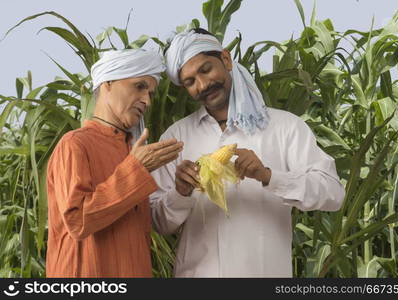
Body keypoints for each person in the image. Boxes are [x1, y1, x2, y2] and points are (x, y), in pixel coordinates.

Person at [150, 29, 345, 277]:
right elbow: (159, 222)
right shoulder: (175, 138)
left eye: (206, 69)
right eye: (189, 82)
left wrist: (269, 176)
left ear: (226, 59)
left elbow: (333, 193)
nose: (202, 85)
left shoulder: (285, 127)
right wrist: (180, 192)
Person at [46, 49, 183, 277]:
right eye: (139, 86)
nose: (147, 101)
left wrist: (182, 190)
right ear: (107, 83)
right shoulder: (74, 144)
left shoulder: (132, 151)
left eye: (150, 93)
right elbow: (78, 220)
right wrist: (137, 170)